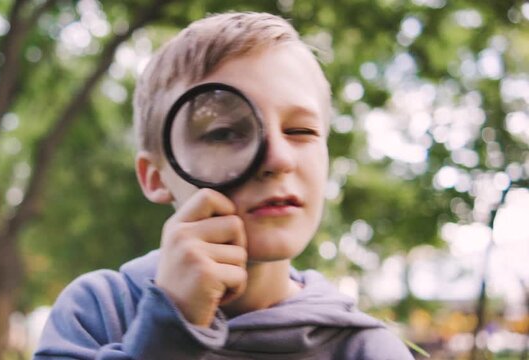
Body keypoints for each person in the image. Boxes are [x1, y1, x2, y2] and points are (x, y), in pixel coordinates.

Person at [34, 12, 414, 359]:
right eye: (224, 133)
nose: (278, 159)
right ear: (155, 176)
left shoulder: (368, 349)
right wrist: (171, 324)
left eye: (301, 131)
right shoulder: (98, 311)